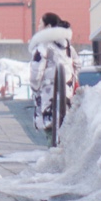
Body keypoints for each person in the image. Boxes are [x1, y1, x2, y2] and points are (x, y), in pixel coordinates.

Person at [28, 12, 78, 140]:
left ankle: (54, 156)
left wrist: (35, 87)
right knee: (63, 129)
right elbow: (77, 66)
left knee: (51, 132)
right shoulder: (68, 47)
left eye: (40, 24)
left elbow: (36, 70)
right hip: (66, 95)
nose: (38, 27)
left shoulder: (43, 45)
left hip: (48, 96)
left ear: (48, 26)